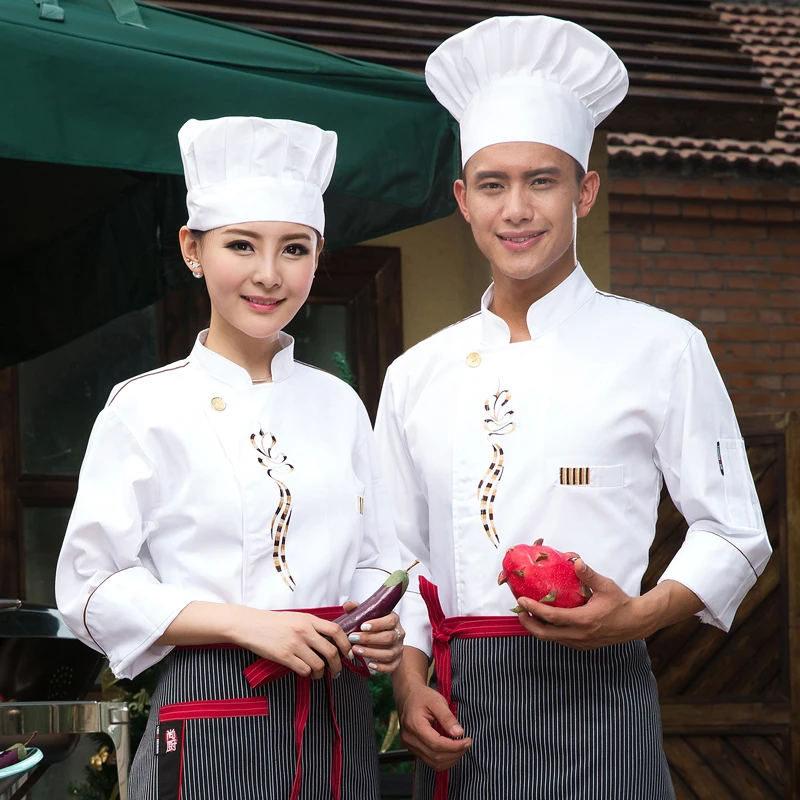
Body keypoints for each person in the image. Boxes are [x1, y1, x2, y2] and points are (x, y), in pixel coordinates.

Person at [374, 16, 772, 800]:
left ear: (585, 190)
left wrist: (638, 616)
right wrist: (407, 686)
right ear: (464, 200)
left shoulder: (662, 347)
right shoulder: (416, 374)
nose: (517, 208)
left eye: (542, 180)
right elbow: (398, 556)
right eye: (493, 184)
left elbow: (735, 532)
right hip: (459, 715)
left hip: (600, 704)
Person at [56, 116, 408, 800]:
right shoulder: (144, 407)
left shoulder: (339, 404)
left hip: (338, 716)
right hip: (213, 710)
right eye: (241, 245)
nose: (269, 275)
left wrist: (382, 630)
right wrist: (246, 624)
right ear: (193, 248)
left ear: (318, 255)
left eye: (295, 249)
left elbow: (376, 557)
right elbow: (90, 589)